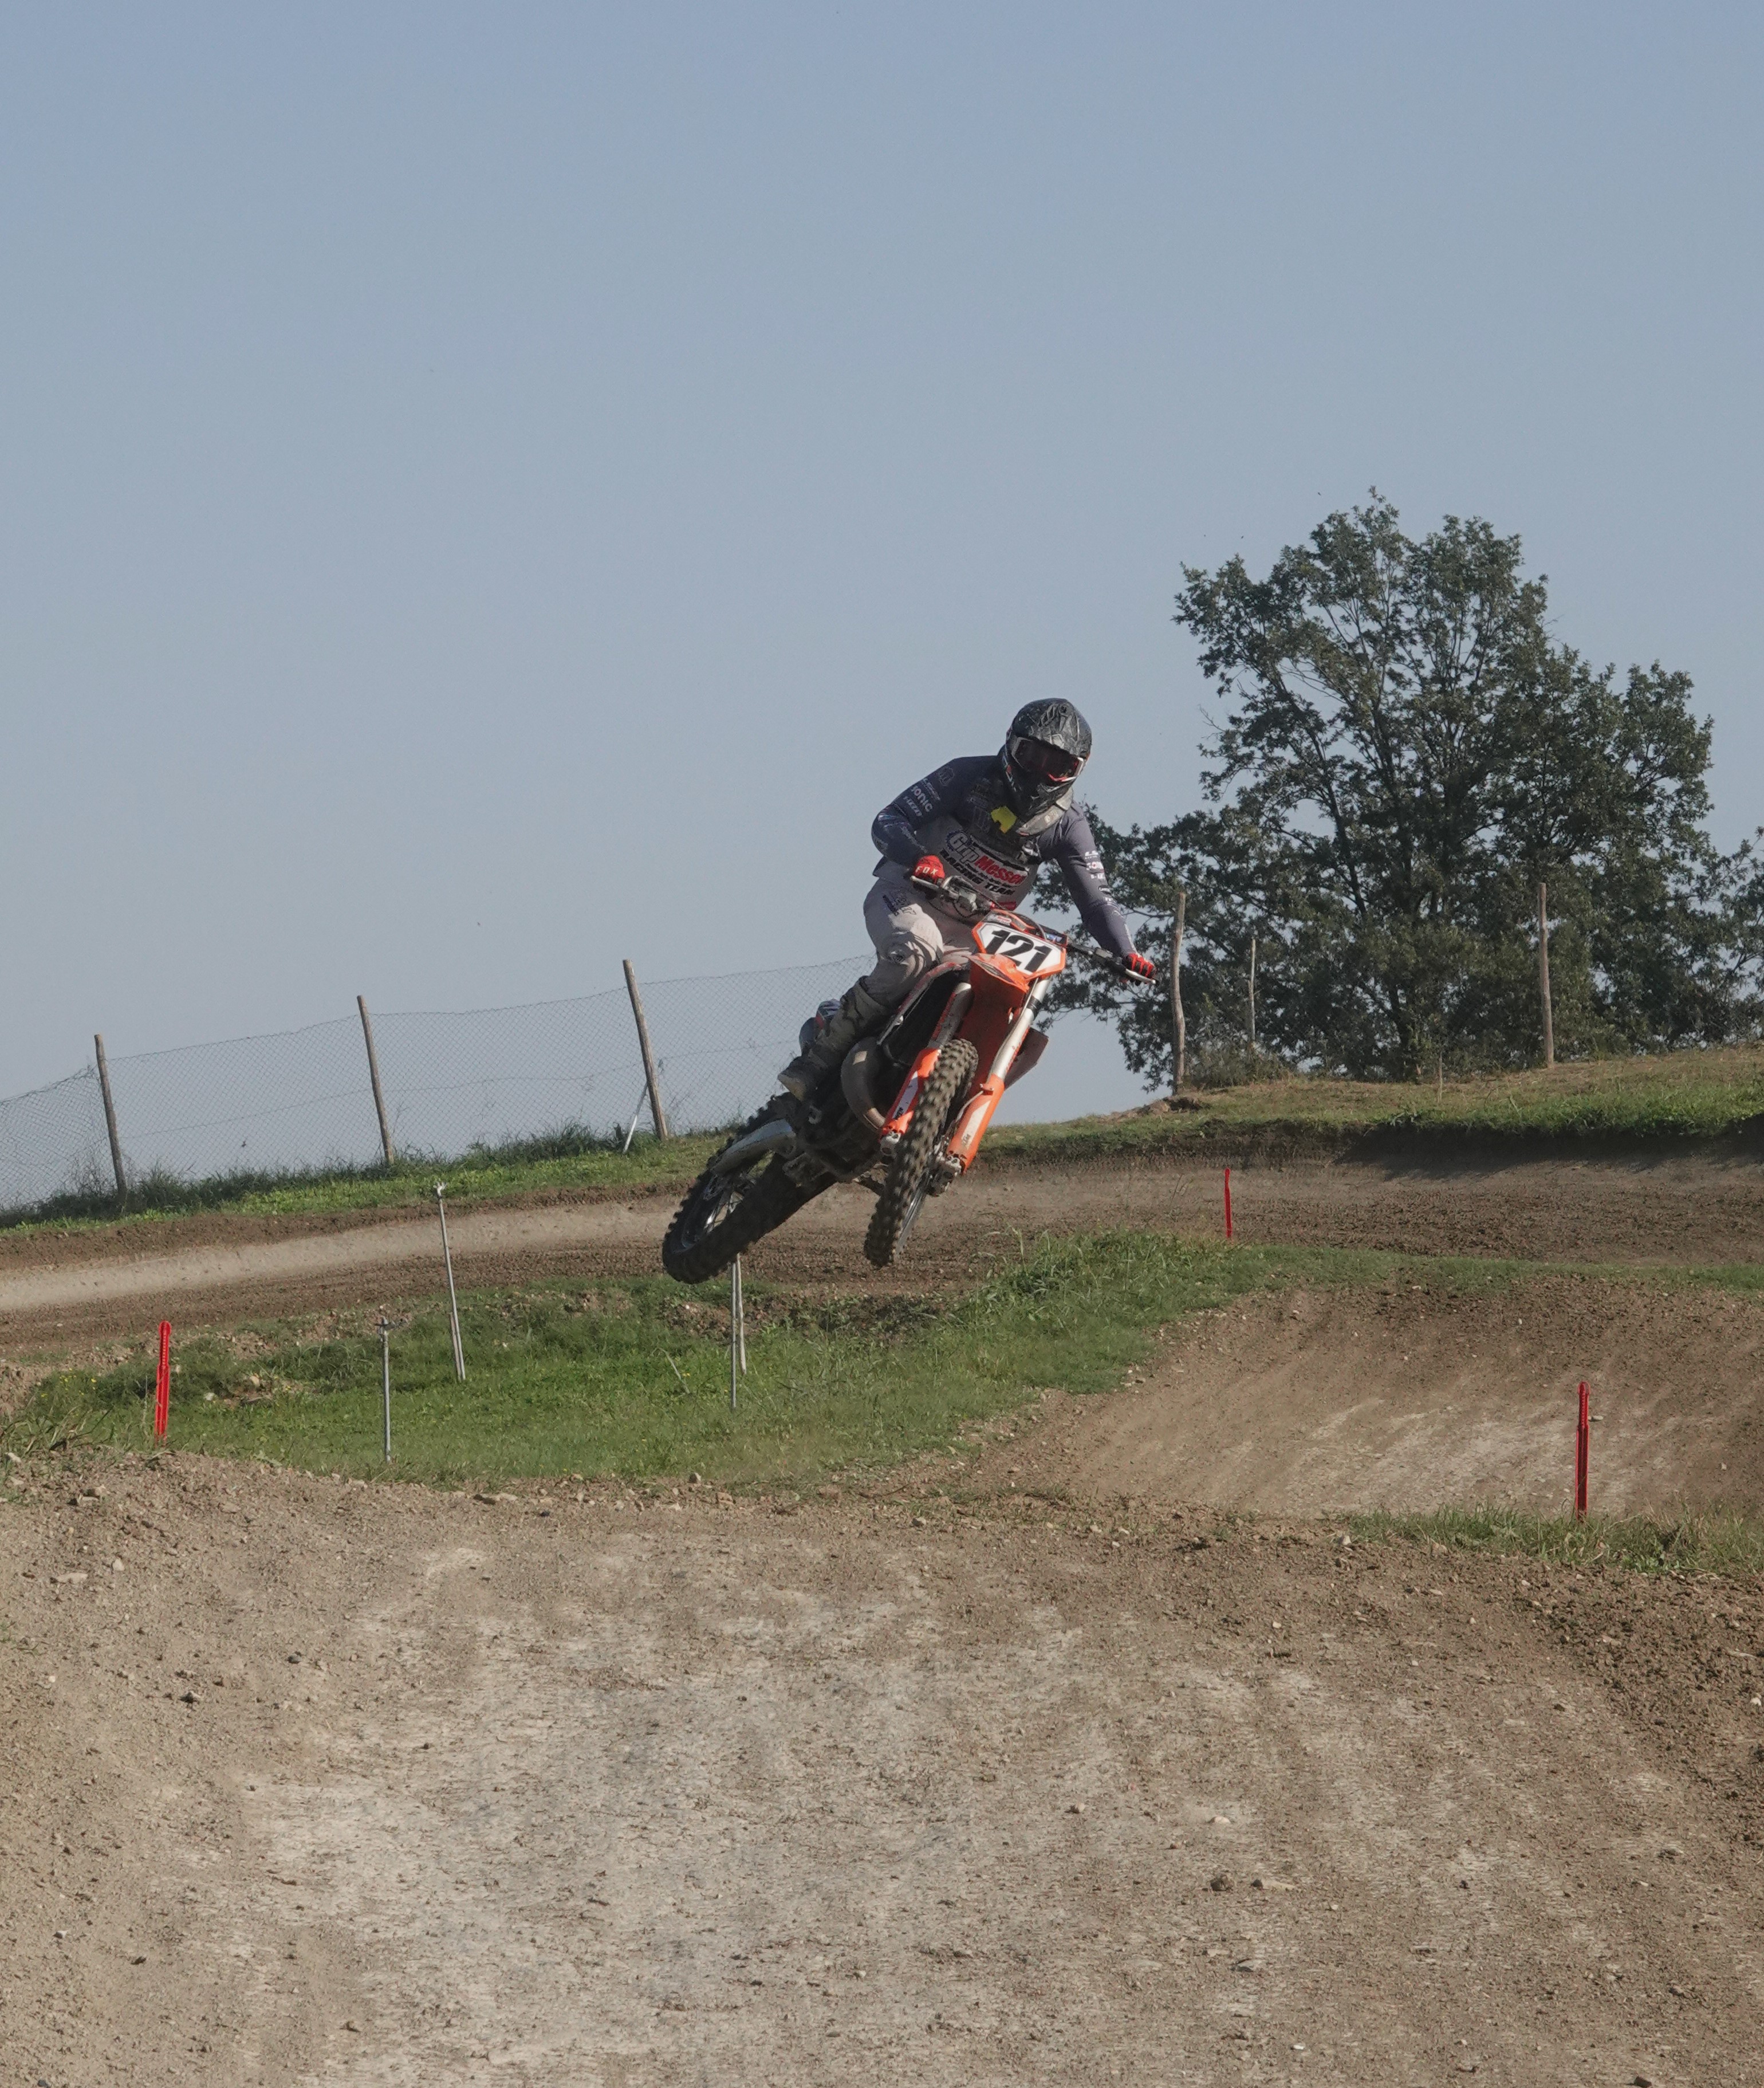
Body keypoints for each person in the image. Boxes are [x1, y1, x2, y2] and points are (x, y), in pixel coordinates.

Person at [779, 700, 1155, 1101]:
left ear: (1078, 769)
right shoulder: (967, 775)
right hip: (909, 896)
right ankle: (819, 1058)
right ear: (1010, 744)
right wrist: (916, 856)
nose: (1040, 774)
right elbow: (889, 819)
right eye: (1032, 756)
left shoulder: (1068, 825)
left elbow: (1097, 902)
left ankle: (943, 1102)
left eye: (1058, 766)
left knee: (998, 996)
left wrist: (1125, 951)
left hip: (976, 929)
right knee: (915, 954)